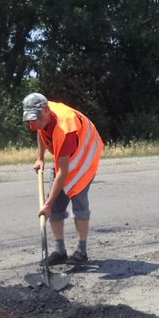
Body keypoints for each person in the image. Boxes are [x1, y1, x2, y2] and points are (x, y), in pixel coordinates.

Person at [23, 93, 103, 266]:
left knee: (78, 199)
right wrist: (40, 158)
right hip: (66, 157)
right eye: (30, 120)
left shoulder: (64, 129)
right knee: (57, 204)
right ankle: (60, 251)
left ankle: (81, 252)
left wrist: (48, 204)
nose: (33, 124)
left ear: (46, 110)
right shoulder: (40, 116)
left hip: (84, 154)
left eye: (35, 119)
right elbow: (40, 132)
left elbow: (63, 173)